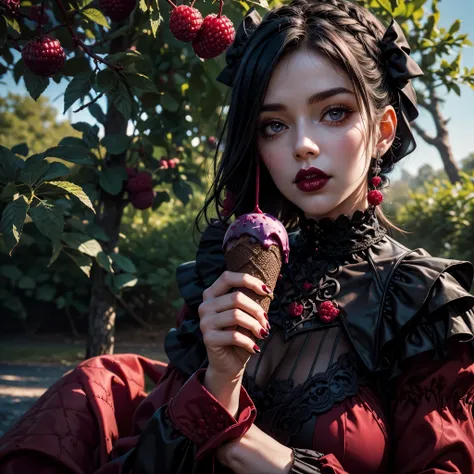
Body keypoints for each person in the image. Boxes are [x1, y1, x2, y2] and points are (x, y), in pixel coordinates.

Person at [1, 0, 474, 473]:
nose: (302, 144)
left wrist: (259, 452)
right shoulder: (226, 275)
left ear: (384, 130)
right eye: (274, 124)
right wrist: (220, 381)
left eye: (334, 112)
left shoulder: (423, 304)